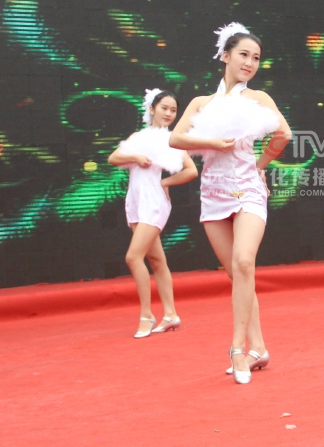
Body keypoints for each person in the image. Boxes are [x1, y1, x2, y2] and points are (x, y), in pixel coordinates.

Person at [170, 24, 291, 384]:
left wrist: (260, 166)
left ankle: (238, 348)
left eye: (256, 58)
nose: (250, 62)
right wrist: (212, 142)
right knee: (237, 274)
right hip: (213, 194)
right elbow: (176, 138)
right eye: (243, 55)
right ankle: (259, 348)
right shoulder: (201, 103)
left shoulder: (259, 98)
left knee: (243, 262)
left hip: (248, 189)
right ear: (225, 56)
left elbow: (284, 134)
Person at [108, 89, 198, 338]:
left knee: (133, 257)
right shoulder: (138, 137)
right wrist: (136, 157)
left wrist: (165, 183)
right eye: (164, 108)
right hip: (135, 201)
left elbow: (191, 171)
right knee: (157, 261)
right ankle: (171, 315)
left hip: (154, 201)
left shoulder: (173, 140)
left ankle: (146, 315)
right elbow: (113, 158)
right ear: (152, 109)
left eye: (173, 110)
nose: (168, 113)